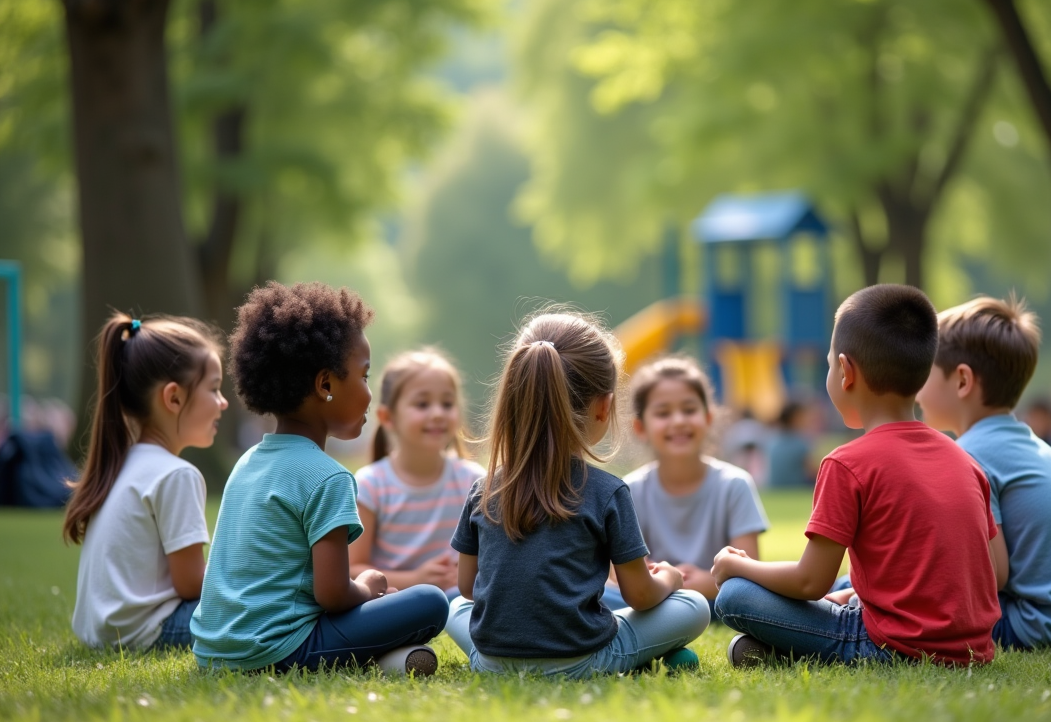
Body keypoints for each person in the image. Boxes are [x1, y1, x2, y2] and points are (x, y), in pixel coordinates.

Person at [712, 284, 1003, 667]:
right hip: (971, 648)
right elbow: (988, 572)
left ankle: (785, 645)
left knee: (735, 595)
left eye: (829, 365)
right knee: (846, 584)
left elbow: (809, 582)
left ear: (846, 372)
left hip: (889, 645)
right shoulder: (965, 461)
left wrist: (738, 566)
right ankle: (784, 645)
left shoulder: (847, 463)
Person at [191, 282, 448, 675]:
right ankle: (387, 652)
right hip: (279, 651)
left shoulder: (246, 463)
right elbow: (333, 594)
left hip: (212, 652)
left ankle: (389, 655)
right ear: (326, 384)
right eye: (364, 376)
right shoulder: (328, 477)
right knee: (431, 601)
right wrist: (370, 587)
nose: (369, 392)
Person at [445, 311, 710, 677]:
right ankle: (644, 655)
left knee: (455, 607)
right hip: (583, 661)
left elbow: (467, 588)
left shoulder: (483, 489)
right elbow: (640, 596)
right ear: (604, 406)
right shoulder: (608, 491)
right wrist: (670, 579)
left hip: (493, 662)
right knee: (694, 605)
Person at [916, 295, 1051, 650]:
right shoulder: (1025, 444)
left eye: (924, 370)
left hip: (1040, 626)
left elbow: (989, 576)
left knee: (901, 601)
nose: (914, 383)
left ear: (962, 380)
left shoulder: (970, 454)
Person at [65, 314, 226, 650]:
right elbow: (191, 585)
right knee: (261, 605)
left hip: (103, 633)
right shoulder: (176, 475)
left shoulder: (122, 464)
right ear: (174, 398)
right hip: (152, 630)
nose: (223, 402)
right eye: (214, 389)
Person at [605, 355, 769, 613]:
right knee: (600, 592)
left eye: (689, 410)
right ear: (640, 427)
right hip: (650, 598)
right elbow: (621, 576)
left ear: (708, 417)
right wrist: (665, 581)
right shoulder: (629, 490)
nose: (679, 421)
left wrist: (706, 582)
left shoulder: (734, 485)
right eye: (663, 413)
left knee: (743, 593)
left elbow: (750, 570)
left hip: (720, 599)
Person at [348, 349, 484, 598]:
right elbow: (352, 569)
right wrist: (416, 580)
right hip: (398, 601)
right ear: (387, 417)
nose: (438, 414)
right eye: (422, 404)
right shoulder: (370, 486)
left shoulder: (473, 481)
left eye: (447, 404)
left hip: (460, 600)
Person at [766, 399, 818, 487]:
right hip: (796, 489)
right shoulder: (800, 445)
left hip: (774, 490)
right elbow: (814, 473)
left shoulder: (772, 442)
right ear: (794, 418)